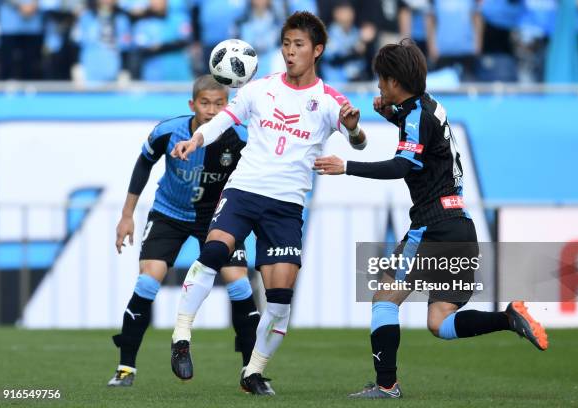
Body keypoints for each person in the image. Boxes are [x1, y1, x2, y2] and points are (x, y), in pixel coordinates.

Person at [313, 39, 548, 399]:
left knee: (383, 299)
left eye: (381, 79)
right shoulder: (429, 107)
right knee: (440, 321)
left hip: (432, 225)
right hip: (460, 223)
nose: (378, 86)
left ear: (394, 81)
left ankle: (386, 385)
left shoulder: (415, 116)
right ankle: (508, 317)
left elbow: (402, 165)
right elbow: (422, 140)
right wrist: (389, 112)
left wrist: (347, 166)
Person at [169, 11, 367, 396]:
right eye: (286, 44)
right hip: (244, 190)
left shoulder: (330, 102)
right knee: (213, 252)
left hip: (286, 205)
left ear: (318, 50)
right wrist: (196, 140)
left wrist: (355, 128)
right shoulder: (260, 89)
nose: (290, 52)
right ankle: (181, 336)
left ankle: (253, 372)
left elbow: (359, 143)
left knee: (279, 299)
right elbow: (223, 120)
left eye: (299, 45)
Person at [107, 75, 259, 386]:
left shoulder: (239, 137)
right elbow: (143, 165)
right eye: (205, 103)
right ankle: (125, 368)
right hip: (169, 214)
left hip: (218, 219)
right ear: (192, 105)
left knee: (240, 286)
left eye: (219, 104)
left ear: (228, 106)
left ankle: (251, 372)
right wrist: (127, 215)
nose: (212, 111)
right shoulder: (168, 131)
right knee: (148, 282)